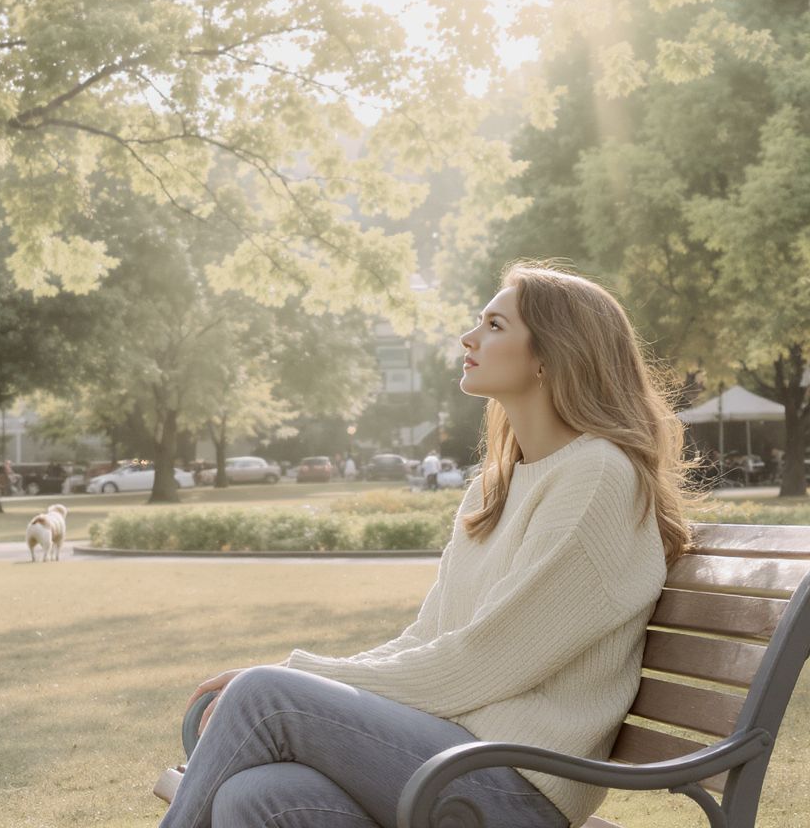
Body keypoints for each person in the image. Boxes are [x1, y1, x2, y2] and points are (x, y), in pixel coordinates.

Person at [159, 262, 695, 828]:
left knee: (265, 693)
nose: (469, 337)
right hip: (456, 757)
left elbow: (481, 663)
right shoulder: (498, 483)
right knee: (257, 794)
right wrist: (311, 676)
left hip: (516, 787)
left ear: (550, 356)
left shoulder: (597, 476)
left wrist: (295, 675)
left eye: (494, 325)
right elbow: (428, 637)